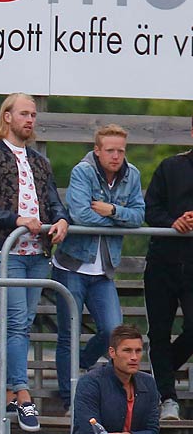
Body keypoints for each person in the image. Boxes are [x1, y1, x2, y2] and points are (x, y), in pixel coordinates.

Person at [0, 92, 70, 432]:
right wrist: (16, 220)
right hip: (4, 250)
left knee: (23, 324)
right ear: (7, 116)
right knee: (14, 321)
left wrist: (61, 221)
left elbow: (55, 201)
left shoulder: (41, 161)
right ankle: (23, 395)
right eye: (24, 113)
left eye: (34, 115)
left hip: (37, 253)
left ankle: (12, 389)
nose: (30, 120)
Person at [55, 126, 143, 409]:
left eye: (121, 150)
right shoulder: (82, 171)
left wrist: (112, 211)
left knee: (113, 330)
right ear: (97, 150)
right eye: (110, 150)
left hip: (104, 268)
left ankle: (79, 364)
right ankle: (69, 398)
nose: (116, 156)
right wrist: (120, 221)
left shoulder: (133, 175)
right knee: (69, 331)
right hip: (71, 264)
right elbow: (80, 215)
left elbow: (139, 217)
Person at [144, 118, 193, 418]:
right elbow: (151, 209)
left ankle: (153, 379)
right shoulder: (169, 167)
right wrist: (173, 223)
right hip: (163, 262)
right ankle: (166, 397)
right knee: (159, 333)